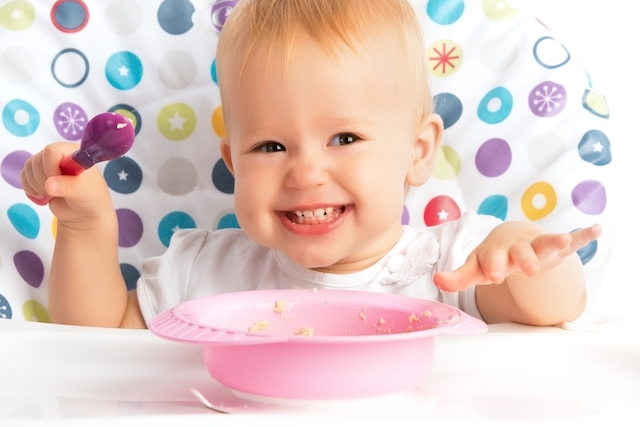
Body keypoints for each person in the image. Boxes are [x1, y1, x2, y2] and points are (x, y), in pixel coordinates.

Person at [20, 0, 600, 329]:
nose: (304, 172)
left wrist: (525, 255)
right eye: (270, 147)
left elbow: (555, 308)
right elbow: (99, 338)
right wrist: (84, 227)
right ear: (233, 162)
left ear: (418, 151)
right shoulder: (201, 271)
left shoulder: (452, 265)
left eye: (344, 137)